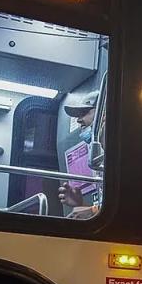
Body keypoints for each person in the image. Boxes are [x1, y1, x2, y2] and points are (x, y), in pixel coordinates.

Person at [59, 90, 102, 219]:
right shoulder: (98, 156)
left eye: (84, 113)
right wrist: (80, 204)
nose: (78, 120)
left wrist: (93, 211)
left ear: (103, 111)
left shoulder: (120, 152)